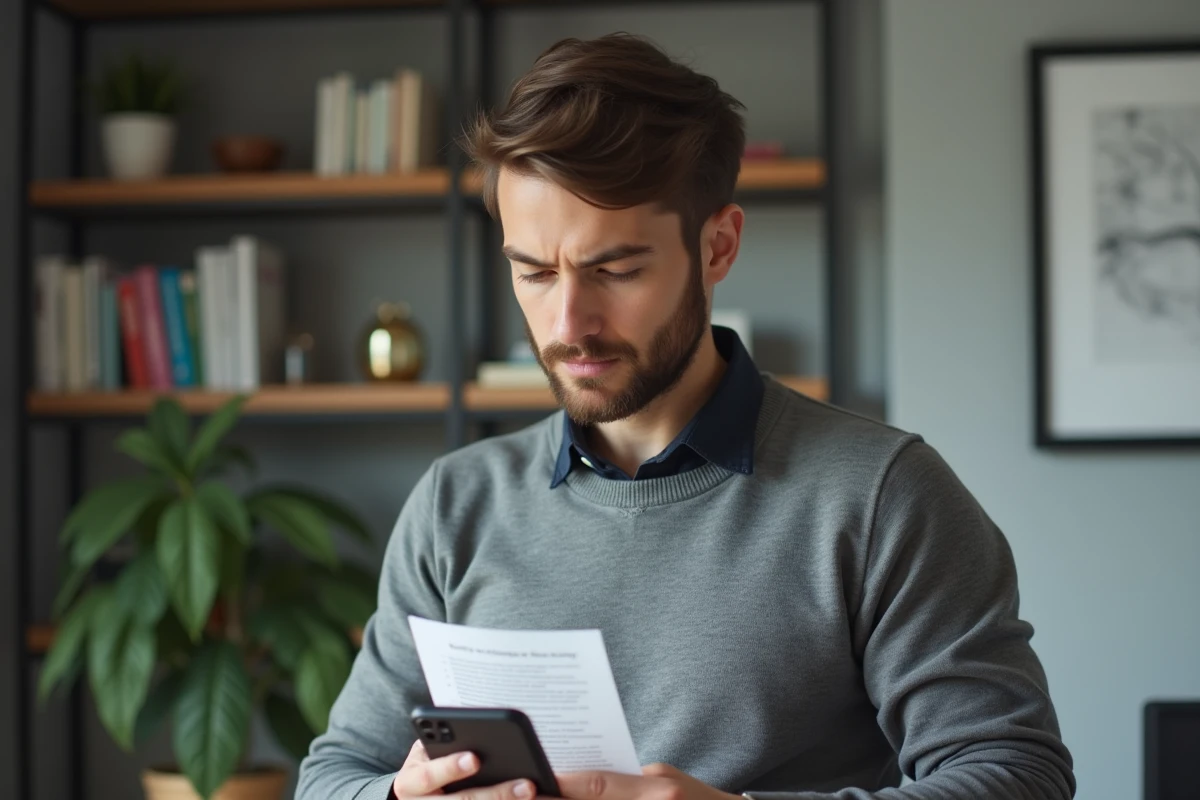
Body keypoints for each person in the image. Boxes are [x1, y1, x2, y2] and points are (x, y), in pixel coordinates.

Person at [296, 32, 1075, 800]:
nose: (568, 321)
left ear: (718, 246)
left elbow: (1018, 777)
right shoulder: (454, 505)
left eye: (616, 269)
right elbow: (331, 778)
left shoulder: (880, 496)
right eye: (532, 272)